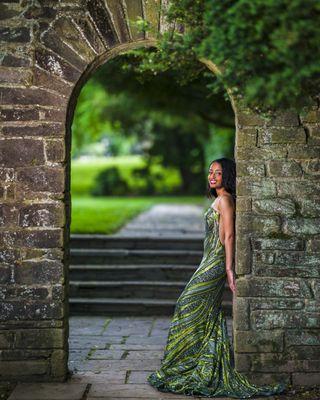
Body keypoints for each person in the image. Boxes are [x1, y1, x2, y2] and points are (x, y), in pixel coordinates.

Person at [147, 157, 286, 398]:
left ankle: (191, 363)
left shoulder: (225, 200)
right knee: (204, 312)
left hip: (216, 263)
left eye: (218, 173)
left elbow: (229, 237)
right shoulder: (220, 199)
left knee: (186, 303)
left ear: (227, 176)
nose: (212, 176)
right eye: (210, 172)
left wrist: (229, 270)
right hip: (208, 261)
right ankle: (199, 361)